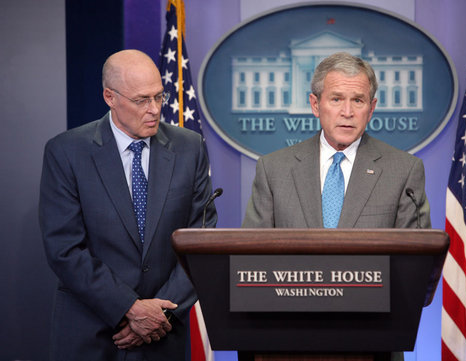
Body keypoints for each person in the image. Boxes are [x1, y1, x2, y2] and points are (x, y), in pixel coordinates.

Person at [39, 49, 217, 361]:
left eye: (159, 97)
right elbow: (64, 248)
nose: (154, 109)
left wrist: (159, 315)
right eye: (141, 100)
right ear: (110, 97)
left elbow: (200, 241)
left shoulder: (189, 148)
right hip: (91, 333)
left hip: (164, 333)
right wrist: (129, 309)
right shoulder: (66, 152)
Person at [243, 52, 430, 230]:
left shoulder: (404, 171)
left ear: (371, 109)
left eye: (358, 100)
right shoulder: (273, 170)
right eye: (336, 99)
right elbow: (251, 253)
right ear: (315, 105)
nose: (347, 112)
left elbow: (415, 258)